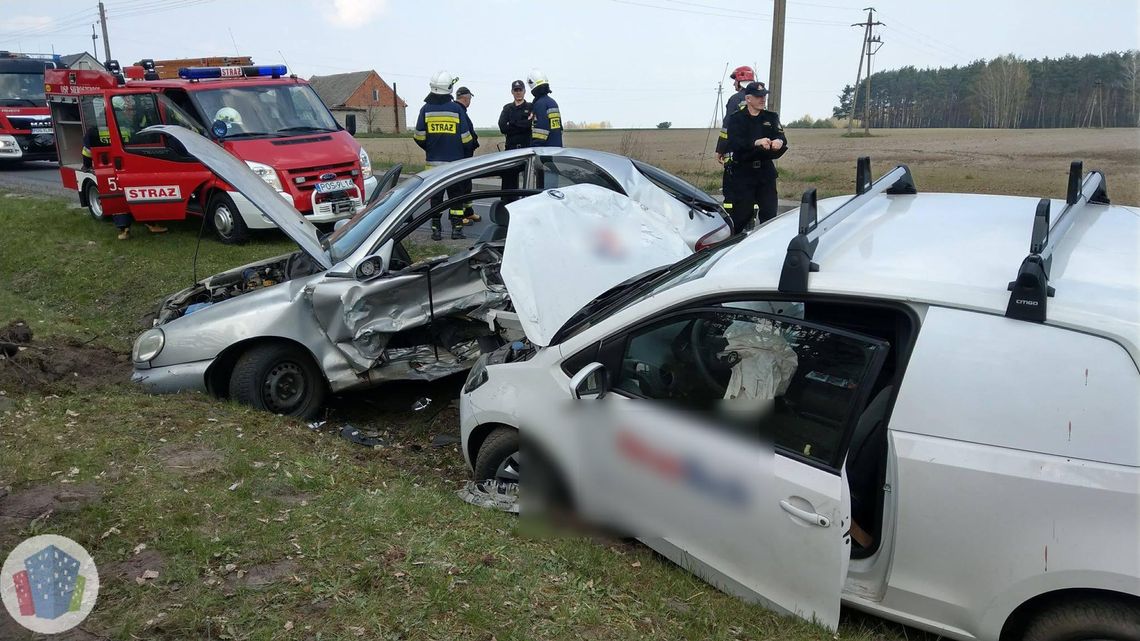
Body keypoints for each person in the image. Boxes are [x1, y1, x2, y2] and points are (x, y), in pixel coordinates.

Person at [413, 70, 476, 240]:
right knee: (456, 197)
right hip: (454, 165)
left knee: (436, 199)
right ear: (449, 88)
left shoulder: (425, 109)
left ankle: (436, 230)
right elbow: (466, 138)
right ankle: (456, 230)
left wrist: (431, 148)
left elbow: (418, 136)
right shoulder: (456, 109)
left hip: (433, 166)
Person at [723, 82, 787, 232]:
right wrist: (756, 142)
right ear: (748, 99)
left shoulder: (771, 117)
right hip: (744, 173)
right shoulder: (737, 119)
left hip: (765, 173)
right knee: (741, 216)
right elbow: (734, 143)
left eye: (764, 96)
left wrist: (779, 141)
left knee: (770, 214)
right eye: (759, 96)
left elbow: (781, 135)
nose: (762, 99)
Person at [108, 95, 167, 240]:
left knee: (120, 198)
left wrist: (87, 164)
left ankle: (124, 230)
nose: (129, 112)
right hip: (129, 162)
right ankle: (149, 223)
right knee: (138, 194)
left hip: (112, 166)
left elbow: (88, 149)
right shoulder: (131, 125)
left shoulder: (100, 126)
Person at [716, 65, 759, 229]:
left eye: (735, 81)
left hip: (736, 156)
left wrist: (720, 149)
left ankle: (732, 224)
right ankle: (751, 221)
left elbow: (727, 128)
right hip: (755, 156)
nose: (734, 84)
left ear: (740, 81)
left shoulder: (735, 100)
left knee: (731, 191)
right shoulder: (759, 101)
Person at [454, 86, 481, 224]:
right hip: (462, 156)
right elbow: (465, 135)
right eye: (469, 98)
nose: (470, 101)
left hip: (465, 156)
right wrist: (472, 143)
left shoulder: (461, 110)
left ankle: (468, 212)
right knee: (461, 187)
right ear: (466, 98)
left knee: (467, 185)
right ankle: (460, 216)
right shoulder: (459, 110)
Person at [527, 69, 561, 148]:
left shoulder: (540, 104)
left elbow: (541, 132)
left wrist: (533, 147)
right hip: (556, 148)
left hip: (545, 151)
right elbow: (560, 129)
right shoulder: (553, 102)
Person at [498, 80, 533, 149]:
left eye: (520, 90)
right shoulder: (507, 108)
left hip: (526, 149)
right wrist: (524, 123)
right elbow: (503, 128)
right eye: (516, 90)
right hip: (510, 149)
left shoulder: (531, 107)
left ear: (524, 91)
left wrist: (511, 124)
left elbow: (529, 124)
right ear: (512, 92)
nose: (518, 93)